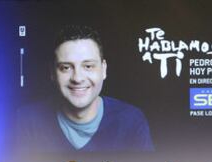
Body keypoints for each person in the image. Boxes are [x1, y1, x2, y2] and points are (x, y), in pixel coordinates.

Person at [16, 25, 154, 152]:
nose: (77, 78)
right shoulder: (26, 122)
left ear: (104, 69)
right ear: (52, 72)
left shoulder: (131, 121)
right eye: (66, 67)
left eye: (88, 66)